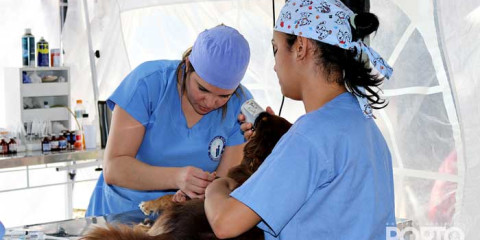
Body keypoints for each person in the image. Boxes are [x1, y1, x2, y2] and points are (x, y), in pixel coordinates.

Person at [204, 0, 396, 239]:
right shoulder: (363, 123)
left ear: (301, 47)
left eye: (276, 49)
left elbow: (225, 223)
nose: (274, 66)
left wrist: (216, 187)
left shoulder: (309, 136)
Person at [86, 25, 252, 216]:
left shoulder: (241, 105)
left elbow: (222, 185)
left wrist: (198, 195)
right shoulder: (148, 84)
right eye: (203, 89)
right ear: (188, 65)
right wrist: (177, 177)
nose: (211, 102)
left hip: (182, 220)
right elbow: (114, 168)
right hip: (121, 213)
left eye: (223, 96)